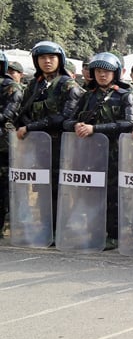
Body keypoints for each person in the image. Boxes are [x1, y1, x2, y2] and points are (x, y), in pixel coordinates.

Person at [63, 53, 133, 249]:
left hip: (116, 153)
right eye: (98, 71)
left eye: (106, 71)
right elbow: (67, 119)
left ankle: (114, 235)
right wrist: (77, 125)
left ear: (115, 73)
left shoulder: (125, 96)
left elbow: (129, 123)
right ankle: (94, 231)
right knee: (91, 193)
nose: (102, 75)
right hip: (90, 153)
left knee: (114, 195)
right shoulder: (88, 96)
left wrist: (95, 129)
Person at [13, 41, 83, 231]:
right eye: (42, 58)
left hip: (61, 146)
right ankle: (45, 227)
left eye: (52, 57)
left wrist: (31, 127)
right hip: (37, 146)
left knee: (59, 189)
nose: (47, 61)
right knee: (40, 187)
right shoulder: (35, 85)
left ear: (60, 60)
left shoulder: (68, 85)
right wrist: (26, 126)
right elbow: (22, 110)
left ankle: (58, 228)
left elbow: (65, 117)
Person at [0, 51, 25, 236]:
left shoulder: (11, 87)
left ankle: (9, 225)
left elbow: (9, 114)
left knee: (8, 188)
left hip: (5, 146)